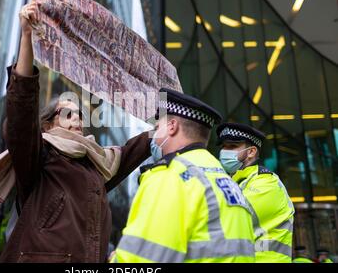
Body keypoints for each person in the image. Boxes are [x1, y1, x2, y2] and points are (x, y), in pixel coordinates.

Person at [0, 0, 151, 263]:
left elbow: (127, 153)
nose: (78, 120)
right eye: (67, 114)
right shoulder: (40, 155)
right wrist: (26, 36)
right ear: (47, 125)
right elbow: (21, 113)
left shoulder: (96, 165)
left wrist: (166, 126)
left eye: (80, 115)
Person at [112, 89, 256, 263]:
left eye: (157, 128)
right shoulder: (225, 179)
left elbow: (141, 261)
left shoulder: (170, 177)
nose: (154, 137)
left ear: (172, 126)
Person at [216, 123, 294, 263]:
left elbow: (228, 218)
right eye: (223, 146)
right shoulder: (236, 182)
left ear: (251, 152)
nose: (224, 151)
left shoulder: (266, 183)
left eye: (232, 146)